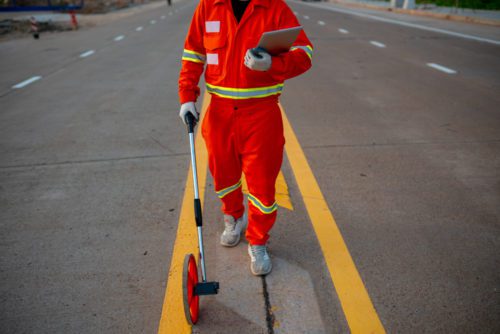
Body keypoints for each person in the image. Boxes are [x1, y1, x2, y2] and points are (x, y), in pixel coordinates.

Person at [178, 0, 312, 276]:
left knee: (262, 184)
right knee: (224, 176)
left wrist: (273, 64)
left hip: (261, 114)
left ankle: (258, 241)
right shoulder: (208, 6)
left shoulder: (275, 8)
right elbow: (193, 54)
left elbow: (305, 54)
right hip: (220, 113)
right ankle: (234, 218)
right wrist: (187, 97)